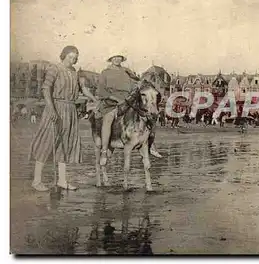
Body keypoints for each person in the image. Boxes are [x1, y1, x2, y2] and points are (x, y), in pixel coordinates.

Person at [29, 45, 98, 191]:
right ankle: (36, 181)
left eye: (75, 57)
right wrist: (51, 109)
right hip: (56, 107)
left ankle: (62, 180)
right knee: (47, 142)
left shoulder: (75, 72)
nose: (73, 60)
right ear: (64, 55)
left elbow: (83, 89)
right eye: (70, 57)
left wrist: (95, 99)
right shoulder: (54, 68)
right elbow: (46, 89)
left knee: (65, 144)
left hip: (71, 109)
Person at [97, 54, 162, 163]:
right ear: (111, 59)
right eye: (114, 57)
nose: (117, 59)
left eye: (119, 57)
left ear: (122, 59)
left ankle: (150, 144)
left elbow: (137, 82)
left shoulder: (126, 71)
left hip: (128, 100)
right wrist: (115, 98)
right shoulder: (105, 73)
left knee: (148, 116)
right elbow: (101, 91)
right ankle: (104, 151)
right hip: (111, 101)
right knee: (108, 119)